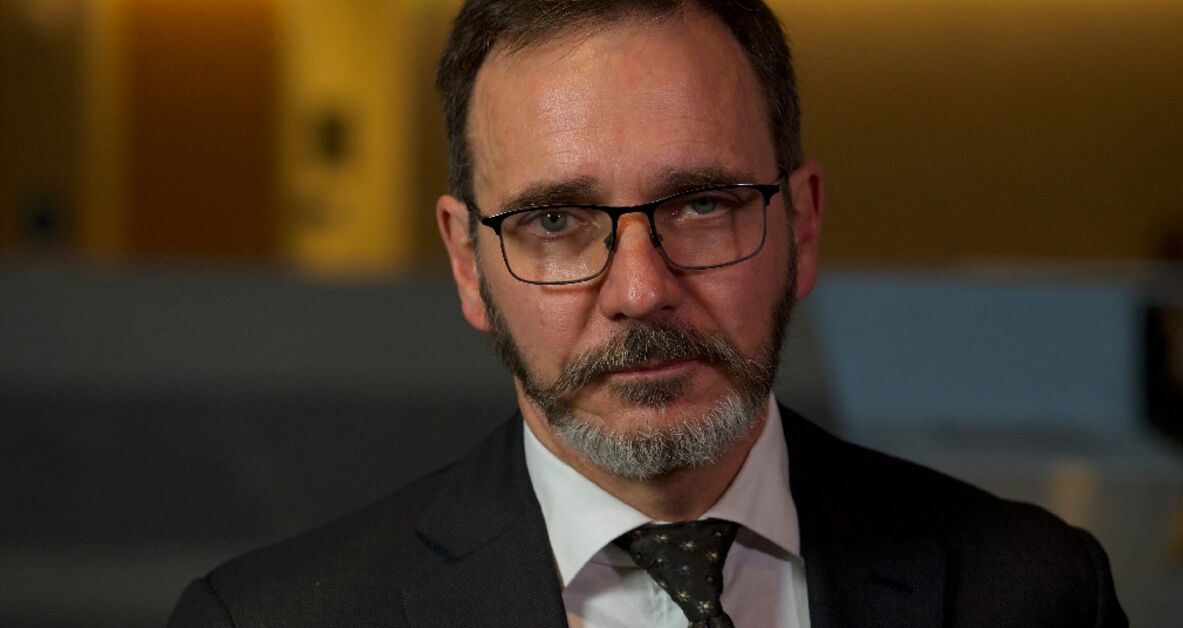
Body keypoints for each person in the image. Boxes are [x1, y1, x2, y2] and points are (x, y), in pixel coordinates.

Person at [167, 1, 1127, 626]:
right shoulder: (269, 620)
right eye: (555, 220)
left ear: (802, 224)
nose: (639, 289)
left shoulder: (1036, 592)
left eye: (703, 204)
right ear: (467, 262)